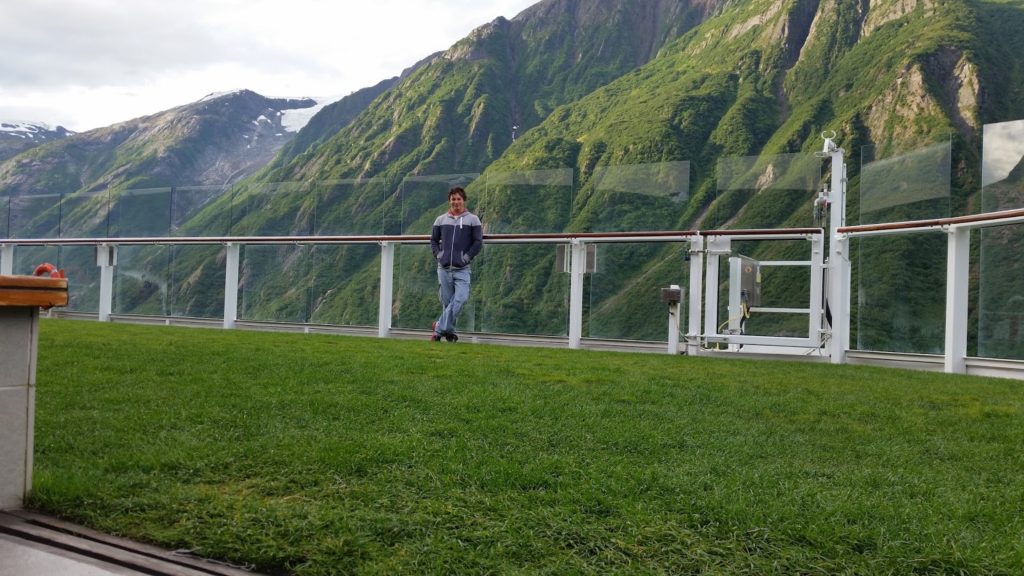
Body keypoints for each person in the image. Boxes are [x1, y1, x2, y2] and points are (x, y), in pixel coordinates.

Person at [430, 186, 483, 342]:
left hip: (462, 269)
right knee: (448, 304)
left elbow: (478, 242)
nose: (456, 202)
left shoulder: (473, 219)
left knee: (460, 299)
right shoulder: (440, 220)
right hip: (444, 268)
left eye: (459, 198)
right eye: (453, 199)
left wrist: (466, 258)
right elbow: (433, 240)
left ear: (464, 200)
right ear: (449, 201)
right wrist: (439, 255)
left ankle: (438, 328)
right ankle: (449, 333)